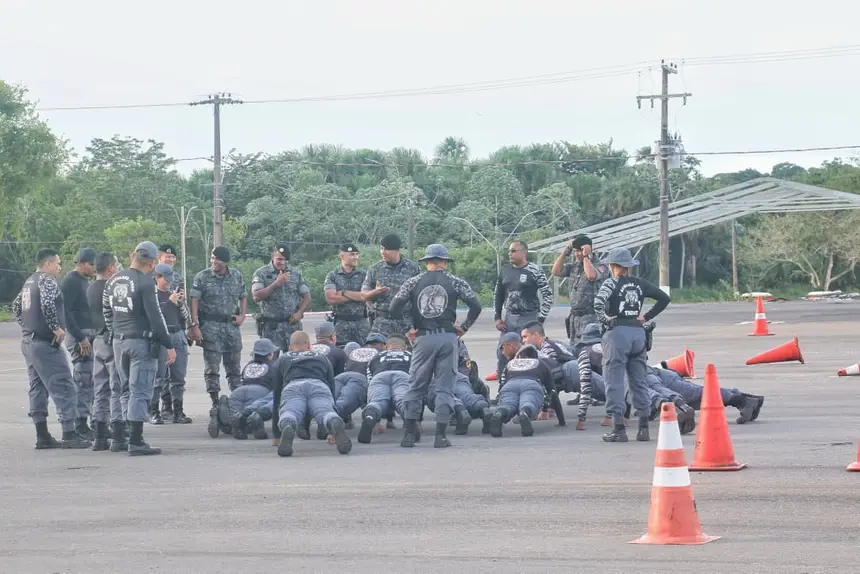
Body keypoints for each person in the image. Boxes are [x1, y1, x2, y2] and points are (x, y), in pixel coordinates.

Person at [388, 243, 483, 449]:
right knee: (444, 387)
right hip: (447, 337)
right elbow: (476, 306)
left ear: (427, 262)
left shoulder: (413, 282)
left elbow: (394, 307)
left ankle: (409, 434)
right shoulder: (455, 281)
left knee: (416, 386)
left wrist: (408, 329)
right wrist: (464, 327)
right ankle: (440, 436)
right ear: (445, 262)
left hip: (423, 338)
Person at [13, 248, 91, 449]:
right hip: (45, 343)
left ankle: (42, 434)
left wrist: (27, 327)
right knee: (64, 385)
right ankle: (69, 433)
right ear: (48, 264)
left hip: (29, 342)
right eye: (57, 263)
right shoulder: (46, 280)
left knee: (37, 387)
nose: (60, 267)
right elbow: (48, 303)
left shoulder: (29, 281)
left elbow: (16, 307)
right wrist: (55, 327)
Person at [103, 241, 176, 456]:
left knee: (125, 389)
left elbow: (107, 311)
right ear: (152, 263)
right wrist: (168, 344)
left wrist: (116, 333)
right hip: (140, 341)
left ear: (133, 255)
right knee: (140, 390)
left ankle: (124, 435)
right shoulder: (145, 283)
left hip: (119, 341)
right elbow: (156, 317)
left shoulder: (113, 280)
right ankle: (136, 440)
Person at [593, 247, 670, 443]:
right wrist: (646, 317)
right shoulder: (639, 284)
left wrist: (605, 319)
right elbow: (664, 298)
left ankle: (619, 428)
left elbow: (598, 303)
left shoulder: (611, 283)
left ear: (613, 266)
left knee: (614, 381)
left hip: (617, 334)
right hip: (638, 334)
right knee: (639, 380)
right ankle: (643, 428)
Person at [271, 331, 352, 457]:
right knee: (325, 412)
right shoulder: (322, 357)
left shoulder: (283, 358)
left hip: (294, 386)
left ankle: (288, 424)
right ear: (309, 346)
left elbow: (276, 394)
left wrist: (276, 435)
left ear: (290, 347)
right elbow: (331, 386)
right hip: (318, 385)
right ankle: (333, 421)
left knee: (291, 411)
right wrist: (331, 432)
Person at [190, 246, 247, 407]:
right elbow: (194, 300)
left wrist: (242, 316)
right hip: (211, 327)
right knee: (212, 369)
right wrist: (194, 324)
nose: (214, 262)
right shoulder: (202, 277)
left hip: (231, 327)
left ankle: (236, 401)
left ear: (225, 261)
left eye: (217, 259)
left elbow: (243, 296)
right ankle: (215, 402)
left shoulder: (236, 276)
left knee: (234, 368)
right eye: (212, 258)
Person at [493, 240, 553, 379]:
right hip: (509, 319)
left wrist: (540, 319)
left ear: (524, 252)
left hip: (529, 318)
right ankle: (504, 384)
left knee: (528, 352)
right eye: (509, 251)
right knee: (503, 352)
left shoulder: (535, 270)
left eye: (514, 251)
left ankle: (531, 381)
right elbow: (498, 294)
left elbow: (548, 295)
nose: (510, 253)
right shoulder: (505, 270)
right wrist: (497, 317)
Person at [488, 342, 564, 438]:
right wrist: (561, 421)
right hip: (531, 384)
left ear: (519, 355)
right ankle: (524, 413)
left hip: (510, 385)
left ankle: (500, 414)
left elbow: (502, 384)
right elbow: (552, 391)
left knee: (508, 404)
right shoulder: (540, 363)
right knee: (528, 403)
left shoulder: (510, 364)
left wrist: (500, 397)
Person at [61, 247, 98, 440]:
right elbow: (65, 312)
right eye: (91, 264)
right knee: (83, 380)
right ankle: (80, 423)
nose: (94, 268)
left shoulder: (85, 281)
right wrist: (80, 337)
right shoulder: (71, 281)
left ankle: (90, 419)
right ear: (82, 263)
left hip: (89, 335)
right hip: (80, 337)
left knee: (91, 380)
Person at [86, 251, 120, 451]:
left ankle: (99, 435)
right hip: (111, 339)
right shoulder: (112, 288)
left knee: (100, 388)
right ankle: (118, 433)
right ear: (111, 267)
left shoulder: (90, 288)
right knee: (117, 387)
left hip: (97, 339)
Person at [550, 234, 611, 345]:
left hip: (591, 317)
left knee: (590, 348)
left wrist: (586, 256)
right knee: (574, 348)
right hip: (575, 318)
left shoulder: (601, 266)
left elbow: (591, 276)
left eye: (579, 251)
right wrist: (564, 253)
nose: (577, 254)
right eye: (575, 251)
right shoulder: (575, 266)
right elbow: (555, 271)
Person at [151, 263, 192, 424]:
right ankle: (154, 411)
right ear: (157, 278)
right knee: (158, 377)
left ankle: (178, 411)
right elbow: (156, 317)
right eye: (165, 279)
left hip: (178, 334)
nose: (168, 283)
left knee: (178, 376)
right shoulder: (152, 296)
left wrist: (180, 303)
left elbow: (186, 318)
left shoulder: (173, 294)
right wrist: (169, 302)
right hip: (162, 336)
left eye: (170, 280)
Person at [251, 243, 311, 352]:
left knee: (296, 358)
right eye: (279, 259)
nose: (282, 262)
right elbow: (256, 296)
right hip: (271, 327)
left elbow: (306, 296)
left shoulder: (295, 273)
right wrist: (276, 283)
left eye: (285, 260)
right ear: (273, 256)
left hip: (292, 326)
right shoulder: (261, 273)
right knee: (271, 359)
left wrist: (300, 312)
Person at [357, 334, 413, 444]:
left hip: (379, 376)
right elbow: (416, 373)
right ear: (405, 347)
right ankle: (410, 424)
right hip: (402, 375)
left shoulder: (377, 356)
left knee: (377, 402)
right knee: (402, 401)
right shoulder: (410, 355)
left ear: (386, 347)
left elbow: (369, 376)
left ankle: (370, 416)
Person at [362, 234, 420, 336]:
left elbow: (419, 296)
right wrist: (375, 292)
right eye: (381, 248)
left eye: (387, 249)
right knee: (376, 345)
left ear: (397, 250)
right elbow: (364, 294)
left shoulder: (412, 268)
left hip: (405, 322)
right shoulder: (375, 269)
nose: (382, 252)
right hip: (382, 322)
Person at [224, 338, 280, 440]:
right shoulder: (273, 366)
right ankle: (248, 423)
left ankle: (229, 419)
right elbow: (276, 384)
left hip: (239, 391)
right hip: (260, 391)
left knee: (237, 413)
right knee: (251, 412)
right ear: (270, 355)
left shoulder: (249, 365)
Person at [323, 243, 370, 346]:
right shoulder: (333, 275)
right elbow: (331, 298)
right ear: (342, 256)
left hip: (361, 324)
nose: (356, 257)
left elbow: (368, 296)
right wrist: (358, 296)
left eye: (357, 254)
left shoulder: (364, 275)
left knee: (364, 351)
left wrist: (344, 292)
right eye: (352, 254)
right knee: (341, 351)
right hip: (341, 324)